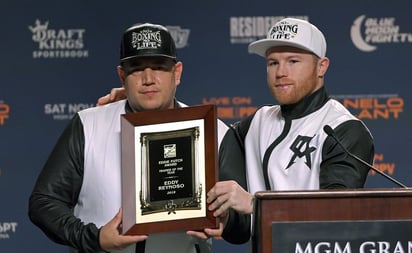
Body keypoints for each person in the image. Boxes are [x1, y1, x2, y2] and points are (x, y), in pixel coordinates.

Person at [28, 23, 229, 253]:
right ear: (122, 76)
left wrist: (228, 220)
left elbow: (242, 223)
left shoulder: (213, 131)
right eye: (136, 68)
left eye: (159, 67)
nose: (148, 78)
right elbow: (43, 203)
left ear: (177, 72)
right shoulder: (88, 124)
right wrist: (93, 237)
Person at [204, 17, 375, 244]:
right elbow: (243, 228)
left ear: (321, 66)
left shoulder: (343, 128)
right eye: (273, 63)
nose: (280, 72)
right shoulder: (257, 121)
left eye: (293, 61)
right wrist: (226, 217)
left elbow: (337, 216)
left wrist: (256, 204)